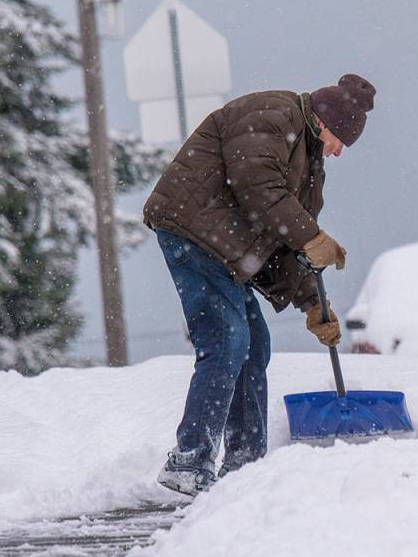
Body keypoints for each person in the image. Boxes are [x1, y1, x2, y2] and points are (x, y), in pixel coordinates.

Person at [142, 74, 376, 496]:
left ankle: (245, 464)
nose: (339, 151)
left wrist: (312, 304)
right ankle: (188, 461)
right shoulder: (272, 114)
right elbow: (259, 189)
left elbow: (280, 240)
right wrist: (312, 237)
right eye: (341, 139)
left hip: (224, 245)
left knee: (254, 345)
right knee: (228, 340)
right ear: (324, 122)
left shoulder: (308, 158)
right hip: (192, 231)